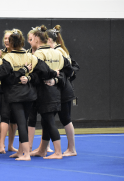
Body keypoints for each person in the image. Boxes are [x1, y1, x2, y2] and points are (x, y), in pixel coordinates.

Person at [0, 29, 59, 161]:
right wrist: (54, 74)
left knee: (21, 122)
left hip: (15, 95)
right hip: (29, 93)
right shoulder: (30, 56)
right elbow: (44, 70)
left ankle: (26, 154)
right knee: (23, 121)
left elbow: (1, 73)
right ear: (21, 43)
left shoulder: (8, 57)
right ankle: (21, 152)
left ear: (11, 43)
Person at [27, 25, 72, 159]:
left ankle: (58, 152)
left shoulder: (39, 54)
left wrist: (30, 75)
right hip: (55, 90)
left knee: (49, 121)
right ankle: (42, 150)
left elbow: (40, 71)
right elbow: (69, 69)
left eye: (32, 38)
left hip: (44, 90)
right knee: (47, 122)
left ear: (36, 39)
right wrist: (57, 76)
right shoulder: (58, 52)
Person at [46, 25, 78, 156]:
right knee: (48, 118)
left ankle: (72, 148)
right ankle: (46, 146)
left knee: (65, 118)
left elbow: (69, 71)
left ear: (49, 40)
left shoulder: (59, 52)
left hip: (63, 89)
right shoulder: (58, 50)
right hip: (59, 88)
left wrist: (57, 75)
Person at [0, 30, 19, 154]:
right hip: (4, 89)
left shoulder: (20, 53)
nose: (6, 41)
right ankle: (1, 145)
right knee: (4, 116)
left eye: (9, 39)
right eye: (5, 38)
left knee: (14, 119)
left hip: (16, 89)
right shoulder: (0, 54)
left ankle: (10, 145)